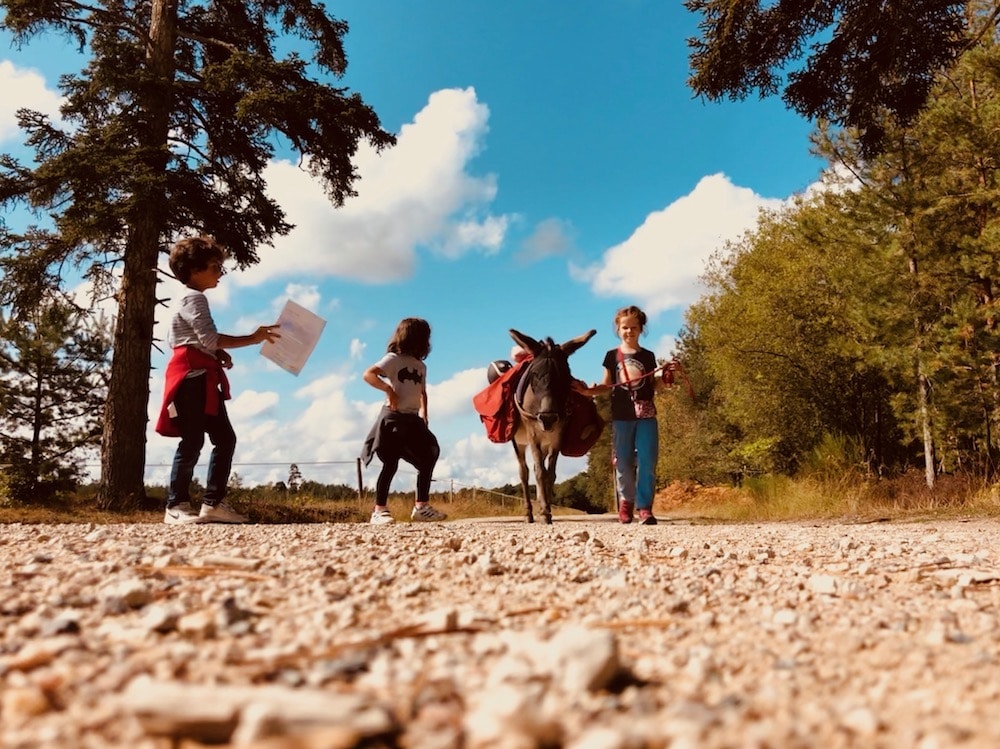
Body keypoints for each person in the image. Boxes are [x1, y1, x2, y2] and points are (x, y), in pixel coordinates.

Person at [155, 236, 280, 525]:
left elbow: (196, 339)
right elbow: (208, 338)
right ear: (194, 269)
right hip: (191, 380)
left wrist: (218, 352)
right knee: (193, 440)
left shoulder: (190, 298)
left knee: (223, 438)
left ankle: (213, 503)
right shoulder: (193, 297)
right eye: (214, 267)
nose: (220, 273)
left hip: (203, 378)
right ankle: (176, 505)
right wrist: (253, 337)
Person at [575, 305, 666, 525]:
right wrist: (589, 391)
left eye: (633, 327)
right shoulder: (611, 356)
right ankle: (626, 503)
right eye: (625, 327)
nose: (629, 331)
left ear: (641, 328)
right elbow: (608, 385)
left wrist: (668, 376)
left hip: (646, 415)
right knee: (623, 462)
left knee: (647, 460)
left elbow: (654, 385)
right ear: (618, 328)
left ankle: (645, 508)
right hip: (622, 416)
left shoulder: (648, 356)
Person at [361, 317, 446, 525]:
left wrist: (425, 412)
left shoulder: (420, 366)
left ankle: (421, 507)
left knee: (431, 452)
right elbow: (369, 375)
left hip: (412, 419)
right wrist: (388, 390)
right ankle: (379, 510)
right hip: (393, 418)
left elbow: (422, 392)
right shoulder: (393, 359)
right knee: (390, 463)